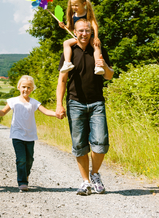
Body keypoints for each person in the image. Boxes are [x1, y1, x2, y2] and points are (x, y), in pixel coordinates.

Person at [56, 18, 114, 196]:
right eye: (80, 31)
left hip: (96, 103)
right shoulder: (69, 51)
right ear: (75, 31)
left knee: (100, 143)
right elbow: (62, 79)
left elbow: (110, 76)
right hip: (75, 103)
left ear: (91, 32)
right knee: (80, 144)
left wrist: (102, 64)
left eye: (87, 31)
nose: (84, 34)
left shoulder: (98, 49)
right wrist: (59, 104)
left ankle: (95, 174)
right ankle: (85, 182)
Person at [0, 75, 56, 191]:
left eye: (29, 87)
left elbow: (46, 111)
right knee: (21, 159)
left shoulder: (33, 102)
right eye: (23, 87)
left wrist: (56, 114)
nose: (26, 90)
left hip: (30, 136)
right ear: (19, 87)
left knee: (29, 160)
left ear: (32, 89)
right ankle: (22, 182)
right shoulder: (13, 101)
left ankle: (25, 175)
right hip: (17, 135)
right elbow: (3, 112)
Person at [59, 0, 104, 75]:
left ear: (84, 4)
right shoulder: (73, 15)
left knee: (96, 45)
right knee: (66, 43)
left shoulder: (87, 13)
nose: (74, 7)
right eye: (72, 5)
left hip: (89, 37)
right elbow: (71, 28)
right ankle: (67, 63)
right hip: (78, 38)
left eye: (76, 5)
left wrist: (96, 37)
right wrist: (63, 26)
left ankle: (98, 66)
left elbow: (95, 25)